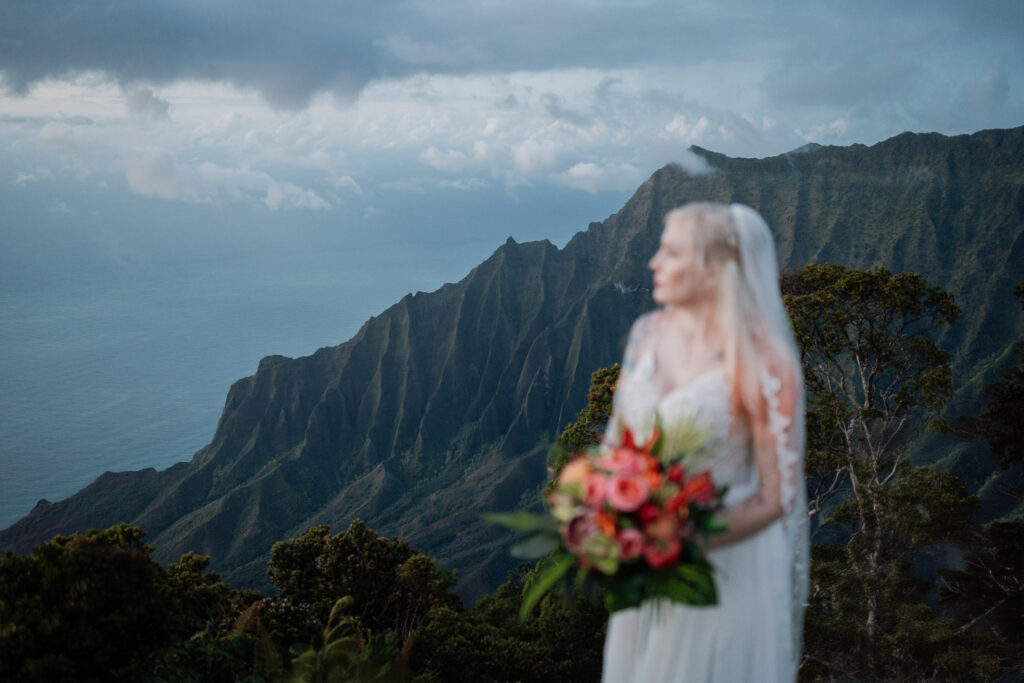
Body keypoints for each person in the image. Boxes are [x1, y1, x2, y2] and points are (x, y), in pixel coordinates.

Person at [600, 202, 808, 682]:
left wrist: (688, 537)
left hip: (726, 571)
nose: (653, 262)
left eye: (670, 252)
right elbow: (616, 445)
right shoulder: (645, 335)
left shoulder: (764, 363)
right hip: (646, 566)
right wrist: (603, 506)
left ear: (714, 269)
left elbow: (778, 497)